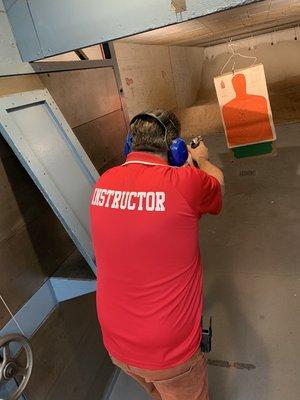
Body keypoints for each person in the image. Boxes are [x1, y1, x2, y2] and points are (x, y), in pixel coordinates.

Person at [90, 109, 225, 400]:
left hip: (117, 345)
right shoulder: (186, 183)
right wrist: (201, 159)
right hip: (169, 353)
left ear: (129, 145)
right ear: (175, 149)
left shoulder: (102, 182)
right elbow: (218, 186)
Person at [222, 73, 274, 146]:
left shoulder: (260, 100)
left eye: (241, 83)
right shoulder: (226, 108)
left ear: (245, 83)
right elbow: (231, 136)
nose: (239, 86)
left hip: (262, 141)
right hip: (241, 145)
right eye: (237, 84)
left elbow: (266, 127)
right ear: (233, 86)